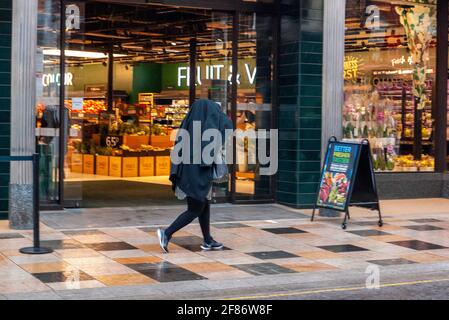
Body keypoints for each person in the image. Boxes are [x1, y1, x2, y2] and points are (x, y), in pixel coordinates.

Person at [157, 99, 232, 253]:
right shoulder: (205, 134)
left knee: (204, 203)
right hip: (196, 175)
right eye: (214, 112)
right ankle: (166, 233)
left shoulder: (189, 129)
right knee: (195, 208)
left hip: (188, 172)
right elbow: (227, 125)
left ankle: (208, 240)